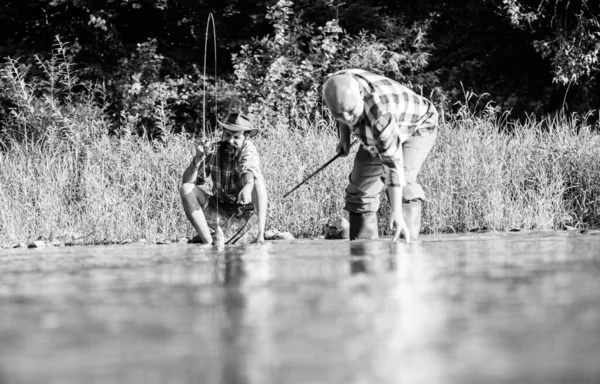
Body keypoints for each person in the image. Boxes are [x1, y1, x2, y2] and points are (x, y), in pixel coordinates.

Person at [322, 69, 438, 242]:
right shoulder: (335, 85)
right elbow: (343, 109)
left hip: (418, 125)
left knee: (403, 181)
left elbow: (393, 165)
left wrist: (396, 213)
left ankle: (406, 246)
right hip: (378, 122)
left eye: (351, 112)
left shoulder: (380, 115)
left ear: (360, 94)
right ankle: (364, 256)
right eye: (339, 114)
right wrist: (344, 138)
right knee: (359, 191)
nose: (347, 118)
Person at [180, 113, 267, 244]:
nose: (230, 141)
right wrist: (197, 159)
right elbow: (188, 182)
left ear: (246, 137)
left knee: (257, 180)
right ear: (223, 134)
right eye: (227, 135)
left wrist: (247, 187)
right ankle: (208, 242)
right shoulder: (214, 149)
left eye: (236, 137)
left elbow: (249, 169)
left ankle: (259, 235)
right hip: (219, 212)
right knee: (186, 188)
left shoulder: (248, 149)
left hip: (244, 213)